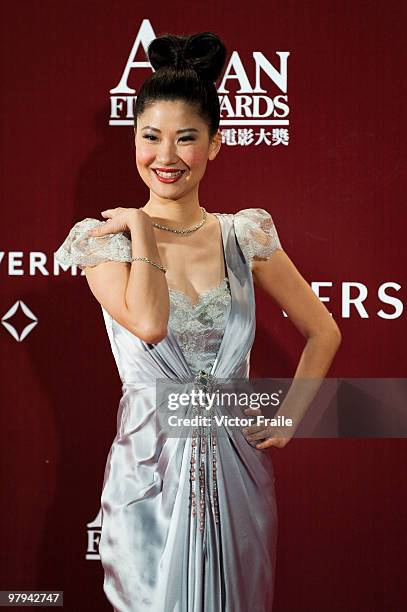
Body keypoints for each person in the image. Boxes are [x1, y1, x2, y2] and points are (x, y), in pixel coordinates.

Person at [55, 32, 341, 612]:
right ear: (132, 140)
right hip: (149, 469)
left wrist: (288, 415)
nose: (166, 156)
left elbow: (325, 331)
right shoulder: (102, 243)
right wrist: (140, 228)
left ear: (214, 146)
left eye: (186, 138)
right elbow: (151, 325)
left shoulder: (244, 235)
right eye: (150, 137)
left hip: (238, 470)